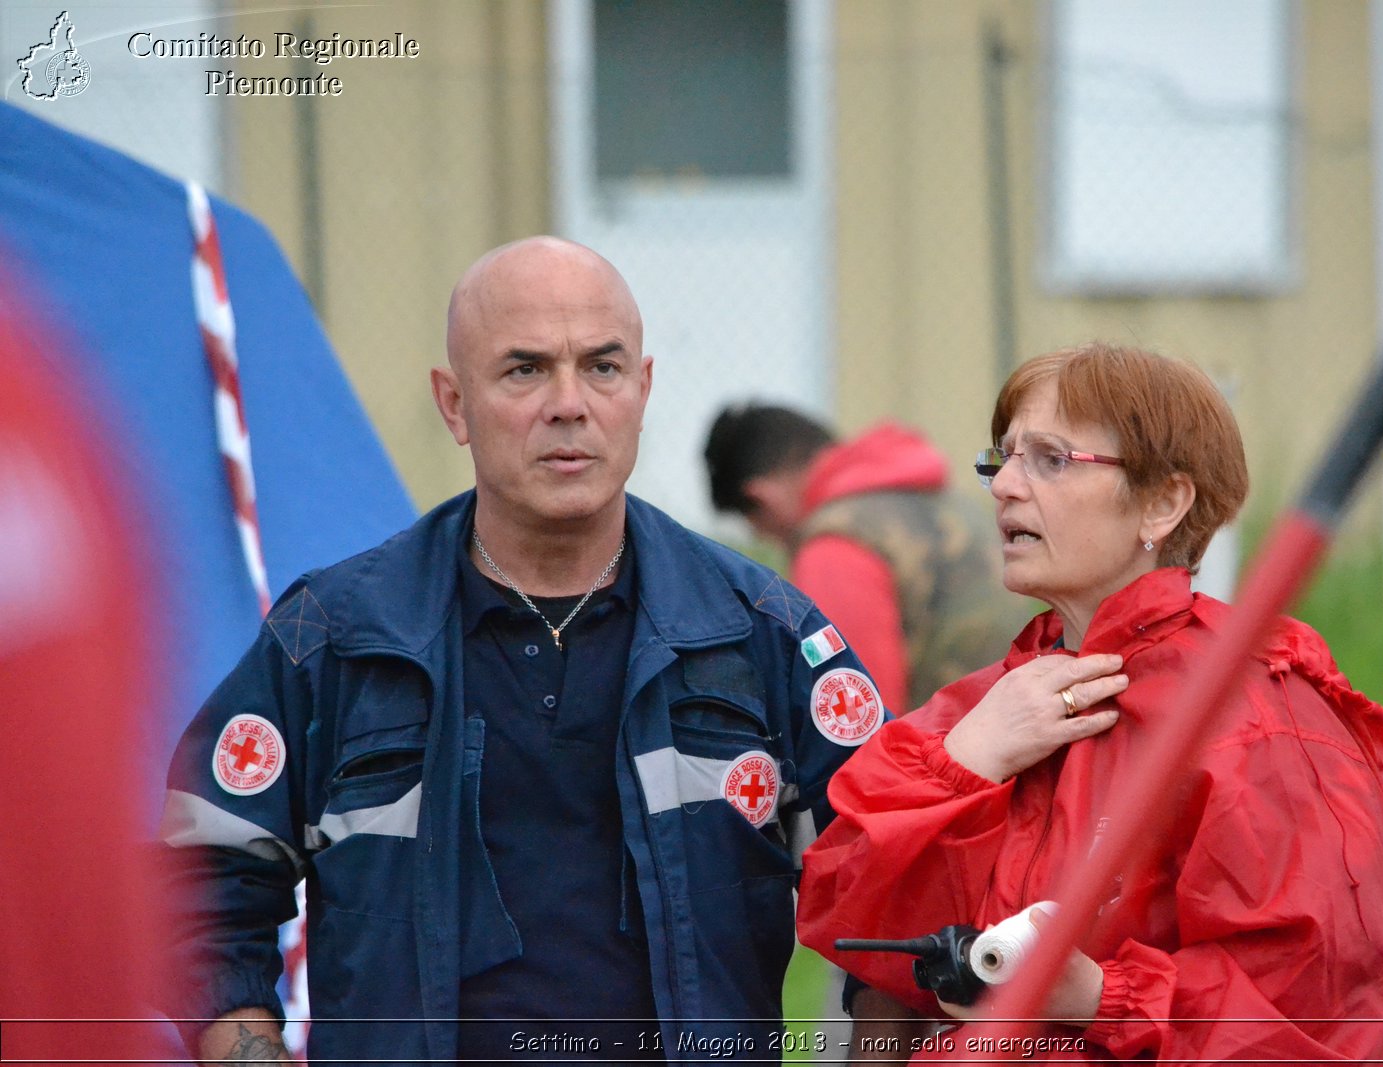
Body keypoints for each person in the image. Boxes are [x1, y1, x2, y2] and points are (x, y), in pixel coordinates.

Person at [157, 237, 887, 1064]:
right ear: (454, 403)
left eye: (603, 368)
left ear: (643, 390)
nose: (569, 403)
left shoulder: (764, 634)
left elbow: (896, 877)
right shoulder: (333, 638)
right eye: (524, 370)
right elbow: (199, 879)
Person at [796, 343, 1383, 1063]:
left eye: (1051, 459)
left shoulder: (1257, 717)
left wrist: (1099, 996)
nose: (1004, 487)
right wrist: (966, 761)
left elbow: (1309, 1016)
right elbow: (844, 912)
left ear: (1163, 502)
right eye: (1004, 458)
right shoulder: (982, 707)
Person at [703, 407, 1032, 717]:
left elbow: (860, 716)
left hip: (946, 760)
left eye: (757, 527)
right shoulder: (957, 507)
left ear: (762, 497)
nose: (769, 540)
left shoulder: (835, 545)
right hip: (1025, 727)